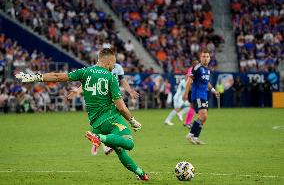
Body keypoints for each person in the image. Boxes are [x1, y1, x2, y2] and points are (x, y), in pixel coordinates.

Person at [15, 48, 149, 180]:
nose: (113, 67)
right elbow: (121, 107)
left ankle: (141, 174)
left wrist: (35, 77)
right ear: (108, 62)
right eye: (113, 64)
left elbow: (58, 76)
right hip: (111, 119)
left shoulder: (85, 72)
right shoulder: (111, 78)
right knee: (129, 143)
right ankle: (99, 137)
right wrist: (132, 121)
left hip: (96, 123)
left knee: (120, 150)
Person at [67, 62, 139, 155]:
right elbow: (88, 83)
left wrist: (130, 91)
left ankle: (99, 140)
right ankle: (101, 140)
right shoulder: (95, 69)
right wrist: (78, 90)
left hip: (113, 93)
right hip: (102, 96)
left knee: (111, 118)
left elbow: (122, 80)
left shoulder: (118, 67)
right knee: (108, 117)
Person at [182, 49, 219, 145]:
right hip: (197, 95)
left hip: (204, 95)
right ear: (200, 58)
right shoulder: (197, 67)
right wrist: (185, 93)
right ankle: (190, 135)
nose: (206, 58)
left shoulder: (207, 70)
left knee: (204, 117)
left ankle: (195, 137)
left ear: (210, 58)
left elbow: (207, 83)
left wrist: (214, 91)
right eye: (204, 56)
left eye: (207, 57)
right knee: (202, 115)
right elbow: (189, 80)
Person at [183, 59, 199, 129]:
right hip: (192, 91)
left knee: (193, 107)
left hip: (192, 90)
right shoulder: (193, 70)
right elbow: (189, 79)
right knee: (193, 107)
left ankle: (187, 122)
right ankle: (188, 122)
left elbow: (187, 77)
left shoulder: (191, 69)